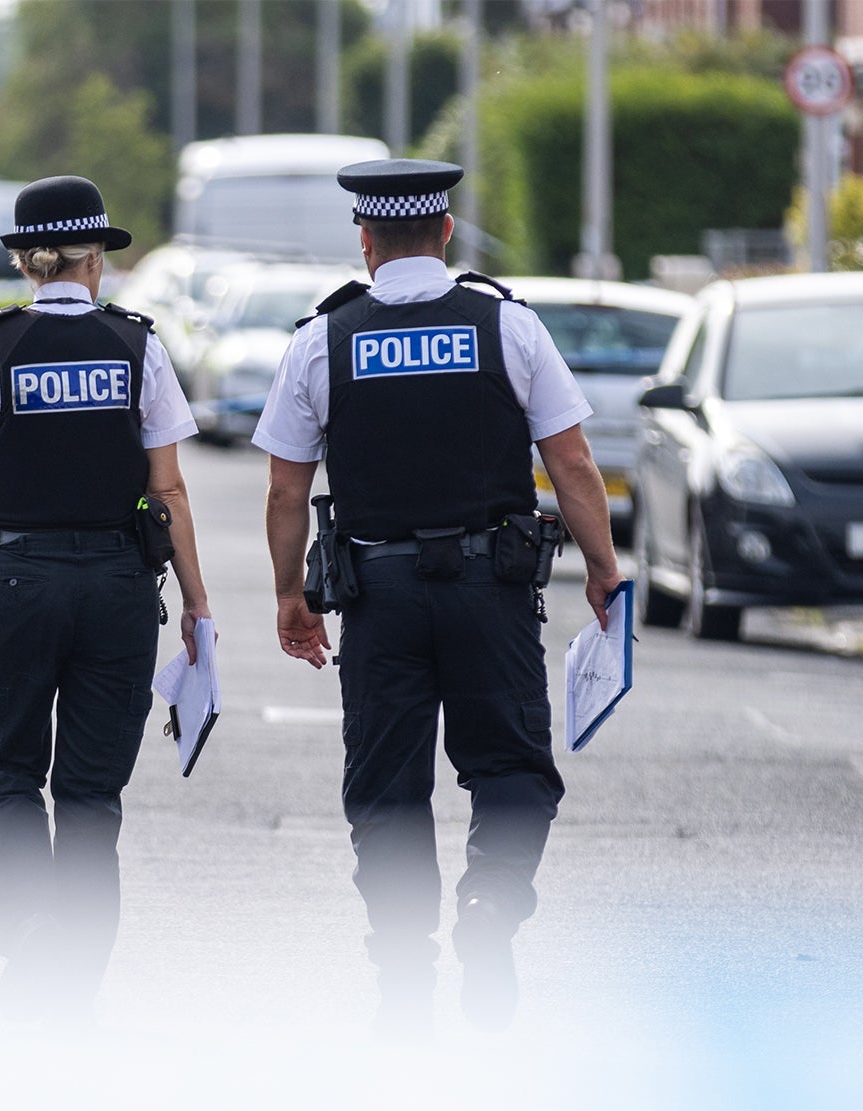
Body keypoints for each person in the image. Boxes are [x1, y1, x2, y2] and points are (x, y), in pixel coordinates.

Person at [252, 159, 622, 1039]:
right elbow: (569, 462)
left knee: (385, 787)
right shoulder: (506, 325)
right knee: (513, 771)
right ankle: (491, 911)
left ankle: (404, 965)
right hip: (490, 593)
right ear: (447, 232)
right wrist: (604, 567)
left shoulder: (322, 339)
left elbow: (283, 490)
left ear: (367, 240)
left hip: (376, 595)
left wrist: (288, 598)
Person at [0, 175, 212, 1025]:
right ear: (94, 262)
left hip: (15, 585)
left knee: (4, 771)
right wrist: (196, 604)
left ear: (26, 262)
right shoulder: (138, 345)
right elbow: (171, 492)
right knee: (89, 793)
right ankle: (75, 971)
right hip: (117, 589)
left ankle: (29, 914)